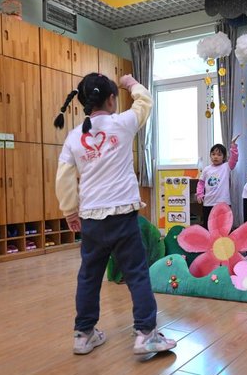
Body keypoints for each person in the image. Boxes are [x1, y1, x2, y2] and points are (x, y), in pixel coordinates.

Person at [54, 72, 176, 355]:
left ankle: (83, 335)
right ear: (111, 100)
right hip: (122, 217)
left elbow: (63, 177)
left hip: (90, 220)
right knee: (136, 273)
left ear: (83, 102)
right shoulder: (123, 123)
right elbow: (145, 102)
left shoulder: (74, 137)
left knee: (89, 276)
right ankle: (146, 334)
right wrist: (131, 84)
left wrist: (70, 211)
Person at [196, 134, 240, 227]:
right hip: (208, 203)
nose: (215, 157)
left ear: (224, 157)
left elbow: (234, 158)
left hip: (223, 203)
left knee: (224, 226)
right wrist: (199, 194)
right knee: (209, 226)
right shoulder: (206, 169)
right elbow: (201, 183)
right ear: (210, 156)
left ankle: (224, 241)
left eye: (219, 155)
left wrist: (233, 145)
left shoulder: (227, 166)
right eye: (213, 154)